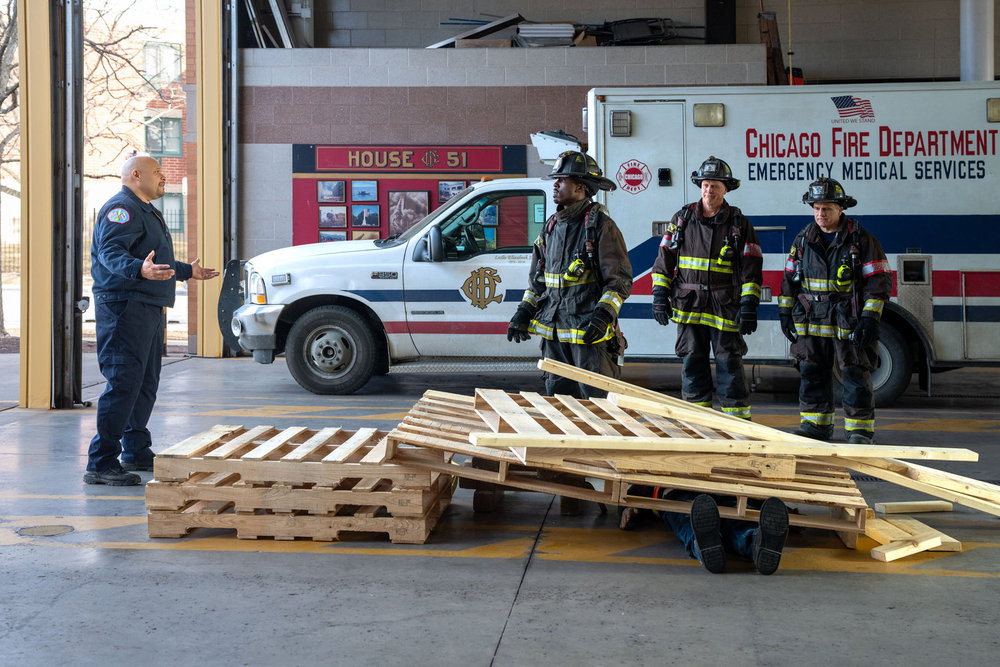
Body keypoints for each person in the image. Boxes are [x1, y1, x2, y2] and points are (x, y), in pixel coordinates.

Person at [84, 155, 219, 486]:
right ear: (135, 175)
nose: (163, 177)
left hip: (147, 305)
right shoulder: (122, 208)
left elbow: (156, 260)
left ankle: (135, 450)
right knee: (123, 382)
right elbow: (111, 253)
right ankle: (101, 462)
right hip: (124, 307)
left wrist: (188, 271)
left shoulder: (145, 209)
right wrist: (138, 269)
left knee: (145, 382)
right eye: (157, 172)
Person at [506, 150, 632, 399]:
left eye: (562, 179)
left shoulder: (602, 227)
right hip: (554, 336)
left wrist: (602, 317)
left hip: (590, 337)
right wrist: (524, 312)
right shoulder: (551, 226)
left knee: (597, 405)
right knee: (560, 403)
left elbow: (618, 281)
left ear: (580, 187)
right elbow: (538, 281)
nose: (555, 184)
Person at [779, 178, 891, 444]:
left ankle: (859, 431)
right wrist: (785, 312)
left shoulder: (861, 239)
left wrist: (870, 317)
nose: (820, 214)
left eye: (827, 208)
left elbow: (879, 280)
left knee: (854, 372)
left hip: (847, 319)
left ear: (841, 208)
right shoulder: (803, 239)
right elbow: (789, 278)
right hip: (811, 318)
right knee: (812, 372)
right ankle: (815, 427)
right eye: (816, 208)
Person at [650, 156, 763, 419]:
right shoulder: (682, 219)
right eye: (705, 185)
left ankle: (737, 424)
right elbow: (664, 259)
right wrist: (659, 296)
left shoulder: (739, 224)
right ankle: (697, 423)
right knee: (692, 362)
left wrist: (748, 305)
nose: (708, 190)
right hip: (689, 305)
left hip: (726, 307)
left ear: (726, 189)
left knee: (730, 364)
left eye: (714, 186)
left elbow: (752, 268)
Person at [620, 488, 790, 575]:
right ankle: (754, 542)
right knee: (733, 521)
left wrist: (777, 512)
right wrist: (628, 506)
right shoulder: (660, 452)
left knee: (691, 522)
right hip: (690, 494)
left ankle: (757, 542)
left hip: (719, 491)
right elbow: (637, 486)